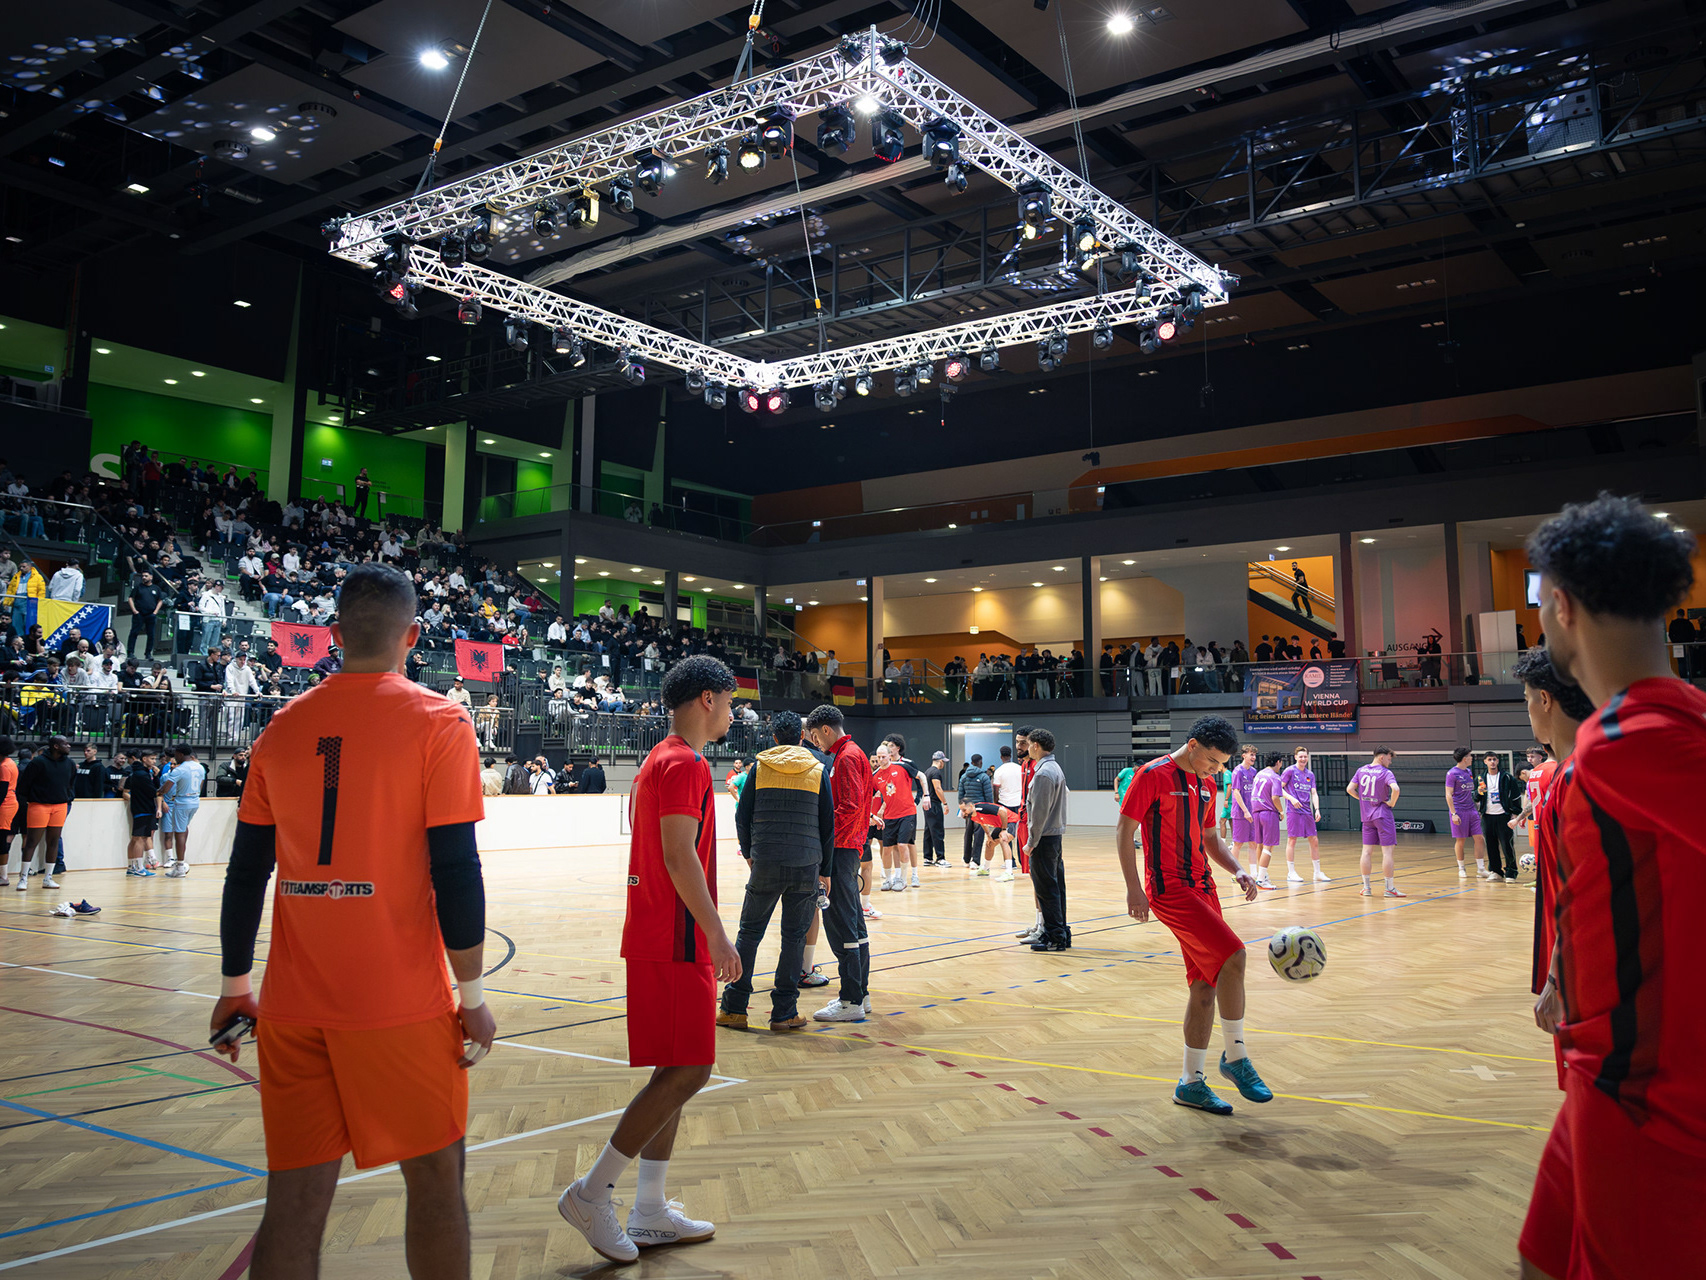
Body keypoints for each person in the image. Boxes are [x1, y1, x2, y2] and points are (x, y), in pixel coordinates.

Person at [211, 562, 493, 1280]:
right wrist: (472, 996)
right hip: (399, 1004)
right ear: (413, 636)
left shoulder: (282, 727)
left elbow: (246, 870)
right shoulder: (440, 720)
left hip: (293, 1006)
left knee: (294, 1203)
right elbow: (455, 867)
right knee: (436, 1182)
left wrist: (236, 984)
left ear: (333, 635)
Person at [1518, 493, 1706, 1280]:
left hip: (1649, 1099)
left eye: (1539, 605)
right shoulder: (1637, 728)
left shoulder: (1638, 741)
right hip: (1603, 1075)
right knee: (1541, 1257)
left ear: (1562, 607)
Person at [557, 656, 738, 1263]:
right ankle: (591, 1192)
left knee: (674, 1069)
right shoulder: (684, 763)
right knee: (690, 1071)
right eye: (730, 702)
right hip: (675, 936)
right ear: (707, 699)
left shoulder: (659, 759)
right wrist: (716, 935)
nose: (732, 713)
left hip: (659, 932)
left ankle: (651, 1210)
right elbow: (679, 856)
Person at [1115, 714, 1268, 1116]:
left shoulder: (1208, 783)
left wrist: (1237, 869)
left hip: (1204, 887)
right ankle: (1235, 1056)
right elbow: (1124, 831)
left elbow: (1211, 838)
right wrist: (1134, 888)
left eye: (1221, 765)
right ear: (1194, 745)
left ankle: (1190, 1083)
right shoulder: (1152, 775)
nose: (1216, 769)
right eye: (1213, 761)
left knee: (1205, 986)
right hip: (1171, 889)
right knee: (1235, 956)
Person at [718, 711, 834, 1033]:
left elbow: (742, 816)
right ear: (802, 737)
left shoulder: (760, 768)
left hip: (765, 861)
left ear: (773, 738)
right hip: (806, 864)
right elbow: (827, 824)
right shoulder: (818, 769)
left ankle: (734, 1009)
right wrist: (825, 870)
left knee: (749, 934)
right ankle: (784, 1013)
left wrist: (749, 854)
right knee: (794, 938)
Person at [1510, 646, 1593, 1093]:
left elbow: (1586, 893)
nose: (1527, 710)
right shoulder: (1567, 772)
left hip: (1585, 973)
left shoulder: (1578, 776)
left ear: (1545, 699)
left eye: (1526, 699)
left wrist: (1557, 978)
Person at [804, 704, 874, 1022]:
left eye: (815, 737)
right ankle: (861, 993)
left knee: (841, 923)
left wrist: (823, 836)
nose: (815, 743)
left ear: (826, 730)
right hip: (850, 846)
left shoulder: (845, 757)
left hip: (841, 848)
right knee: (854, 923)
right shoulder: (852, 753)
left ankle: (851, 1000)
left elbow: (848, 807)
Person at [1022, 729, 1070, 950]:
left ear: (1036, 746)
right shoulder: (1055, 768)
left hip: (1044, 838)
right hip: (1054, 836)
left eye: (1028, 744)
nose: (1027, 748)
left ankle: (1054, 936)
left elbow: (1039, 812)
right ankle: (1061, 931)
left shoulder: (1043, 773)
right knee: (1056, 886)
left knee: (1046, 889)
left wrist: (1031, 842)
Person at [12, 734, 72, 892]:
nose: (69, 746)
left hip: (60, 806)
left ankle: (48, 878)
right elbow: (23, 786)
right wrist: (31, 800)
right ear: (56, 746)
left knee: (53, 842)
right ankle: (23, 878)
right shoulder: (38, 762)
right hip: (38, 806)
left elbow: (71, 784)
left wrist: (67, 798)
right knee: (31, 842)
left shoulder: (70, 763)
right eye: (65, 743)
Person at [1347, 747, 1403, 898]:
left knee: (1366, 851)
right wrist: (1392, 802)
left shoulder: (1361, 770)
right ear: (1381, 757)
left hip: (1367, 817)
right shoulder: (1386, 773)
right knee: (1387, 852)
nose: (1390, 763)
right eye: (1389, 759)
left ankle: (1366, 888)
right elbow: (1396, 789)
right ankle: (1389, 889)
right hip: (1382, 815)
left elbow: (1350, 789)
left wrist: (1361, 799)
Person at [871, 741, 922, 892]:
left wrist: (923, 797)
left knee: (905, 845)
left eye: (883, 756)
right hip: (889, 816)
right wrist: (873, 813)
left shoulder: (904, 766)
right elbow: (876, 795)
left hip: (907, 813)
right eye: (878, 757)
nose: (880, 760)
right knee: (888, 848)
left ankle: (909, 876)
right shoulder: (876, 776)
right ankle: (890, 878)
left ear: (891, 754)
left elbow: (921, 778)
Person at [1278, 747, 1326, 883]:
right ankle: (1291, 872)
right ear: (1295, 757)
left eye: (1305, 756)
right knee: (1292, 840)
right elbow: (1279, 788)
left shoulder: (1310, 774)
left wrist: (1317, 809)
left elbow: (1314, 793)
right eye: (1301, 756)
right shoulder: (1289, 771)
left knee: (1314, 840)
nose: (1303, 759)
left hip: (1307, 811)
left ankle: (1317, 872)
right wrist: (1291, 798)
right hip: (1293, 810)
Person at [156, 746, 205, 878]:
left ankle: (180, 866)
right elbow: (201, 785)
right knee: (183, 829)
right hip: (195, 801)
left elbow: (165, 788)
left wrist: (157, 792)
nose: (175, 757)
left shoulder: (180, 769)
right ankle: (181, 863)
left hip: (182, 802)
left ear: (181, 754)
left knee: (179, 833)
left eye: (176, 754)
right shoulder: (200, 767)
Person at [1476, 751, 1521, 883]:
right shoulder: (1480, 778)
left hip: (1503, 815)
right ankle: (1496, 872)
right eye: (1489, 759)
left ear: (1498, 761)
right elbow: (1475, 797)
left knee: (1507, 845)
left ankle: (1511, 872)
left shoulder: (1507, 777)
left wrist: (1515, 813)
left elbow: (1516, 796)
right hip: (1488, 816)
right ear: (1485, 762)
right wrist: (1478, 793)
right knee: (1491, 845)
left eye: (1494, 759)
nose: (1492, 762)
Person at [1444, 747, 1485, 879]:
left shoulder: (1469, 772)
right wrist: (1453, 814)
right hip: (1459, 810)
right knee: (1460, 840)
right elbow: (1448, 794)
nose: (1472, 758)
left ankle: (1481, 869)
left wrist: (1478, 808)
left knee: (1479, 838)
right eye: (1470, 756)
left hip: (1471, 810)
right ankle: (1461, 868)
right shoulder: (1452, 773)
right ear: (1464, 758)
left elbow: (1471, 793)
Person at [121, 749, 162, 876]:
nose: (154, 761)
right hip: (143, 809)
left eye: (155, 759)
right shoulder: (142, 774)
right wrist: (158, 780)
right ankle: (139, 868)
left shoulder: (138, 772)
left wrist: (155, 777)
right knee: (140, 838)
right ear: (144, 759)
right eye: (152, 759)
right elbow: (154, 792)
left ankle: (131, 867)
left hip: (139, 808)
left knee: (135, 839)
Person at [1248, 752, 1285, 889]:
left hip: (1256, 811)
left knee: (1260, 845)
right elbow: (1275, 797)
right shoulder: (1275, 777)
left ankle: (1262, 875)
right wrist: (1281, 811)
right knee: (1268, 847)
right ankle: (1261, 880)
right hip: (1268, 813)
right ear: (1278, 762)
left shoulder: (1259, 774)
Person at [1227, 745, 1258, 876]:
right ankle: (1235, 873)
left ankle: (1254, 873)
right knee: (1238, 844)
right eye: (1251, 754)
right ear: (1244, 755)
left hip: (1252, 812)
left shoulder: (1254, 771)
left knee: (1253, 843)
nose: (1253, 757)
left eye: (1254, 755)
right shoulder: (1237, 771)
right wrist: (1245, 811)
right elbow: (1236, 792)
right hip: (1240, 813)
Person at [959, 753, 991, 867]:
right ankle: (975, 861)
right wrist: (989, 809)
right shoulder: (984, 777)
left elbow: (960, 794)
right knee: (979, 835)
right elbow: (988, 795)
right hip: (980, 809)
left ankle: (966, 859)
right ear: (980, 762)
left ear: (971, 763)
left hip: (968, 809)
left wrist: (962, 809)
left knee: (968, 833)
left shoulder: (964, 777)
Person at [126, 570, 165, 658]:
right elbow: (130, 598)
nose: (144, 577)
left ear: (151, 577)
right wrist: (134, 611)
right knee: (134, 633)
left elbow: (160, 601)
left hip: (151, 614)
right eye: (143, 576)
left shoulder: (156, 588)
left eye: (146, 576)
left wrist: (155, 612)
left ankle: (148, 653)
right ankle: (130, 652)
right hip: (139, 613)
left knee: (151, 635)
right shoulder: (138, 587)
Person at [921, 750, 948, 867]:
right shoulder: (936, 772)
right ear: (940, 761)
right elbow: (938, 788)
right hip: (934, 804)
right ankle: (940, 858)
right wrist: (945, 803)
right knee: (937, 831)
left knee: (928, 831)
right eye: (943, 762)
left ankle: (928, 857)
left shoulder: (927, 771)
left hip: (927, 803)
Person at [0, 736, 16, 887]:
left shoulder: (4, 766)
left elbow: (2, 791)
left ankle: (3, 876)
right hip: (9, 803)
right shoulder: (10, 762)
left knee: (1, 840)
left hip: (5, 805)